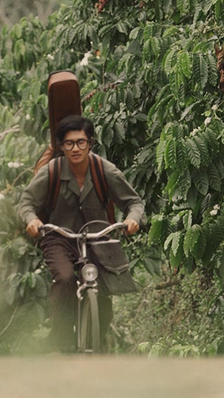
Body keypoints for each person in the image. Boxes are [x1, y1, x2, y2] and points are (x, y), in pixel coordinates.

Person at [17, 114, 144, 352]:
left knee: (103, 293)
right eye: (69, 143)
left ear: (90, 143)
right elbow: (26, 202)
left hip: (98, 237)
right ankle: (60, 339)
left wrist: (132, 219)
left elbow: (134, 202)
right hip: (59, 238)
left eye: (81, 142)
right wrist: (32, 219)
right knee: (64, 279)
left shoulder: (105, 170)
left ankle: (97, 339)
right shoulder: (51, 171)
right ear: (61, 146)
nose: (75, 148)